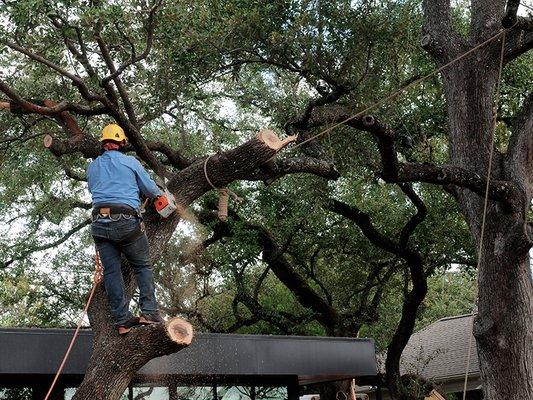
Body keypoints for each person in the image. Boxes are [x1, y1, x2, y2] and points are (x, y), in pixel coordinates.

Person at [87, 123, 164, 335]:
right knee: (142, 266)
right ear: (122, 143)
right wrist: (160, 196)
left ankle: (122, 320)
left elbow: (96, 189)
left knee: (112, 272)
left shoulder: (92, 167)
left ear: (103, 143)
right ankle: (149, 311)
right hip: (126, 222)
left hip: (100, 225)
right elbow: (150, 190)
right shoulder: (131, 162)